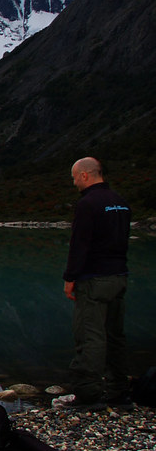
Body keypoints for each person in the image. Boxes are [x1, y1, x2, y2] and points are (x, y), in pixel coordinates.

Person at [53, 157, 132, 410]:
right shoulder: (120, 202)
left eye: (75, 177)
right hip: (119, 277)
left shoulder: (88, 204)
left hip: (94, 280)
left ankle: (88, 395)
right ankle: (119, 392)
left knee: (90, 336)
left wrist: (70, 277)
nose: (74, 182)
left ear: (85, 175)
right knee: (115, 336)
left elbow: (80, 244)